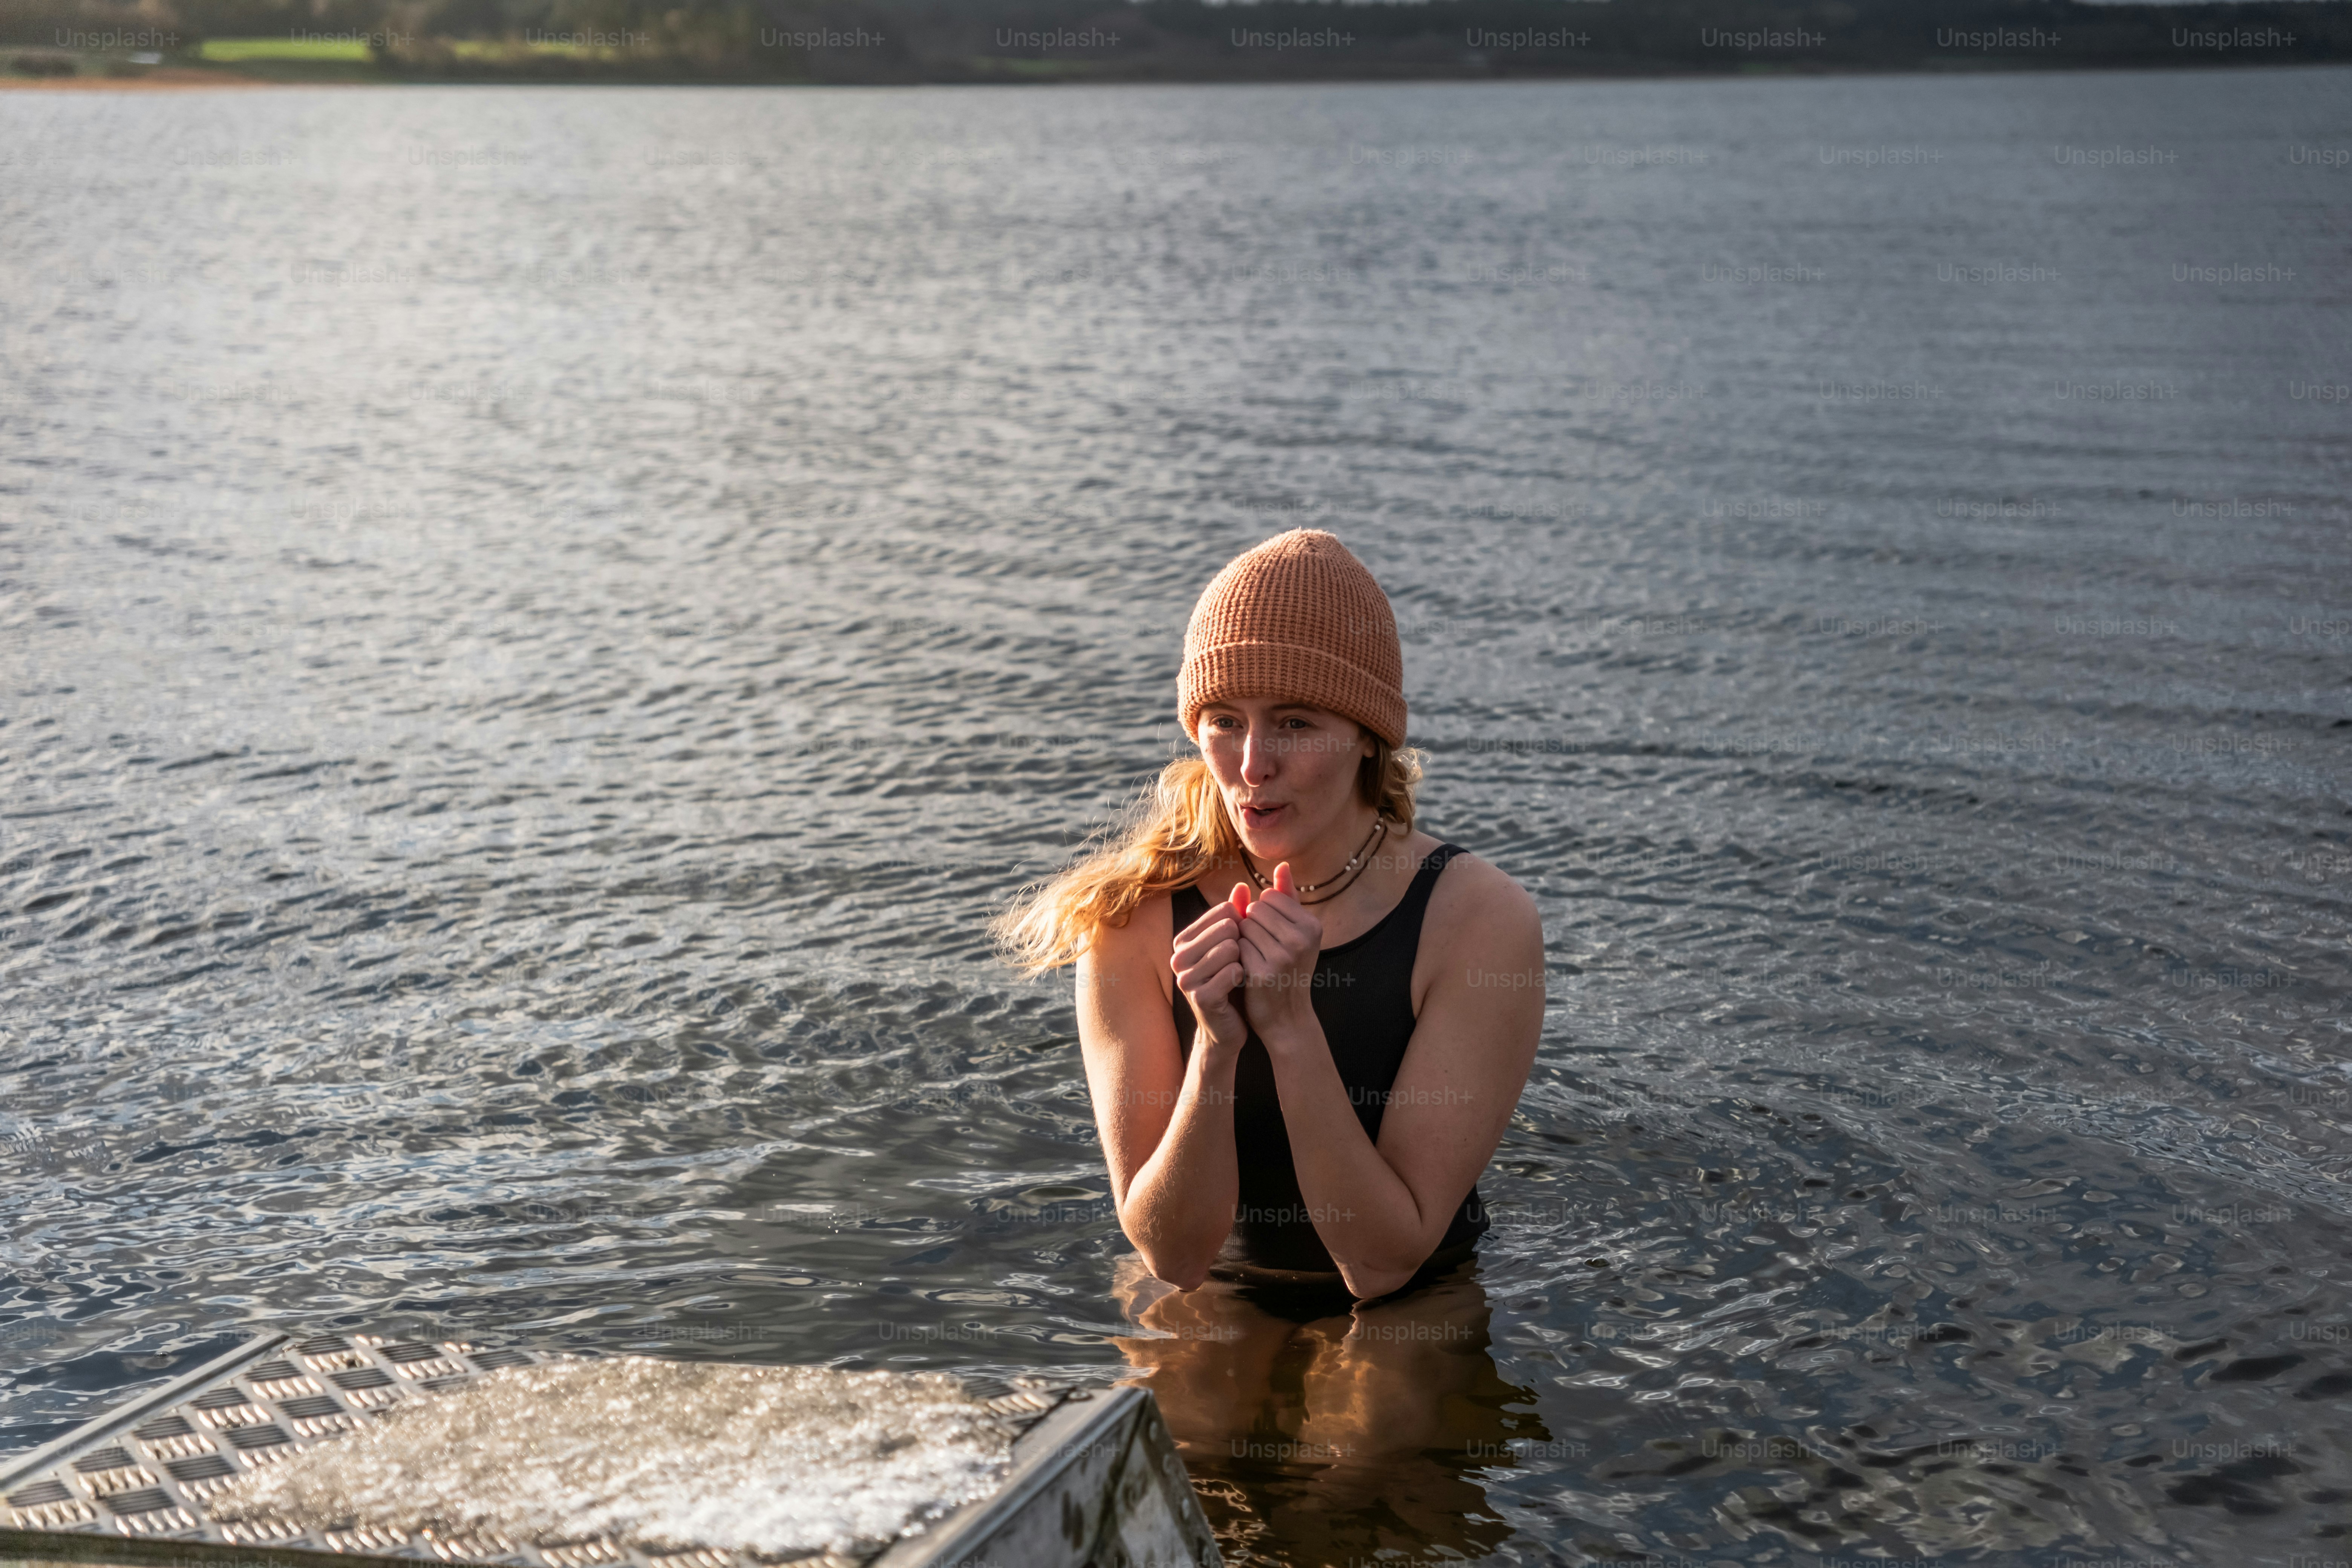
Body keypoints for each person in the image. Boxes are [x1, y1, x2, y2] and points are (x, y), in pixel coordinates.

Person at [997, 528, 1545, 1303]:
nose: (1253, 764)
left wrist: (1291, 1029)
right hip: (1210, 1294)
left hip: (1416, 1302)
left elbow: (1383, 1264)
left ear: (1366, 736)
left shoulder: (1479, 921)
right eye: (1224, 720)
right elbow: (1175, 1256)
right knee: (1201, 1402)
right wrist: (1217, 1046)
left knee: (1378, 1421)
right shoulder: (1130, 917)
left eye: (1294, 722)